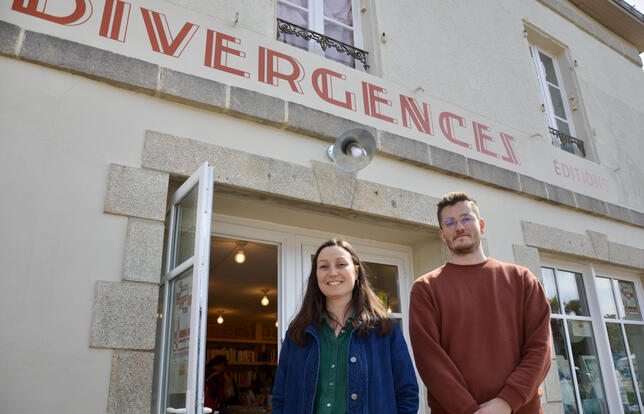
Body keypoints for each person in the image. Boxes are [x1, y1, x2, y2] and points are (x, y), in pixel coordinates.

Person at [409, 192, 552, 414]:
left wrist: (506, 402)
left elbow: (540, 349)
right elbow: (430, 360)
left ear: (481, 225)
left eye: (466, 218)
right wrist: (470, 410)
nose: (459, 227)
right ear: (442, 234)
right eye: (450, 223)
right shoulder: (426, 288)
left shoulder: (522, 279)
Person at [271, 239, 418, 413]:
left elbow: (407, 394)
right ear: (316, 275)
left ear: (356, 272)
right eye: (324, 266)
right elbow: (280, 399)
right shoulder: (298, 333)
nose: (332, 273)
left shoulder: (386, 329)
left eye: (341, 264)